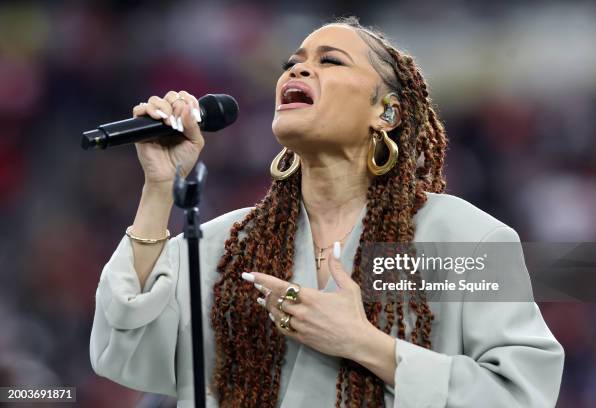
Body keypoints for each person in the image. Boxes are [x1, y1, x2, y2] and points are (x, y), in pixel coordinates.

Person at [89, 16, 564, 408]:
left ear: (388, 113)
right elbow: (124, 353)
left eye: (329, 61)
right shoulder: (224, 244)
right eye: (291, 64)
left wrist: (363, 343)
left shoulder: (470, 239)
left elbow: (520, 395)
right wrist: (158, 187)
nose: (296, 72)